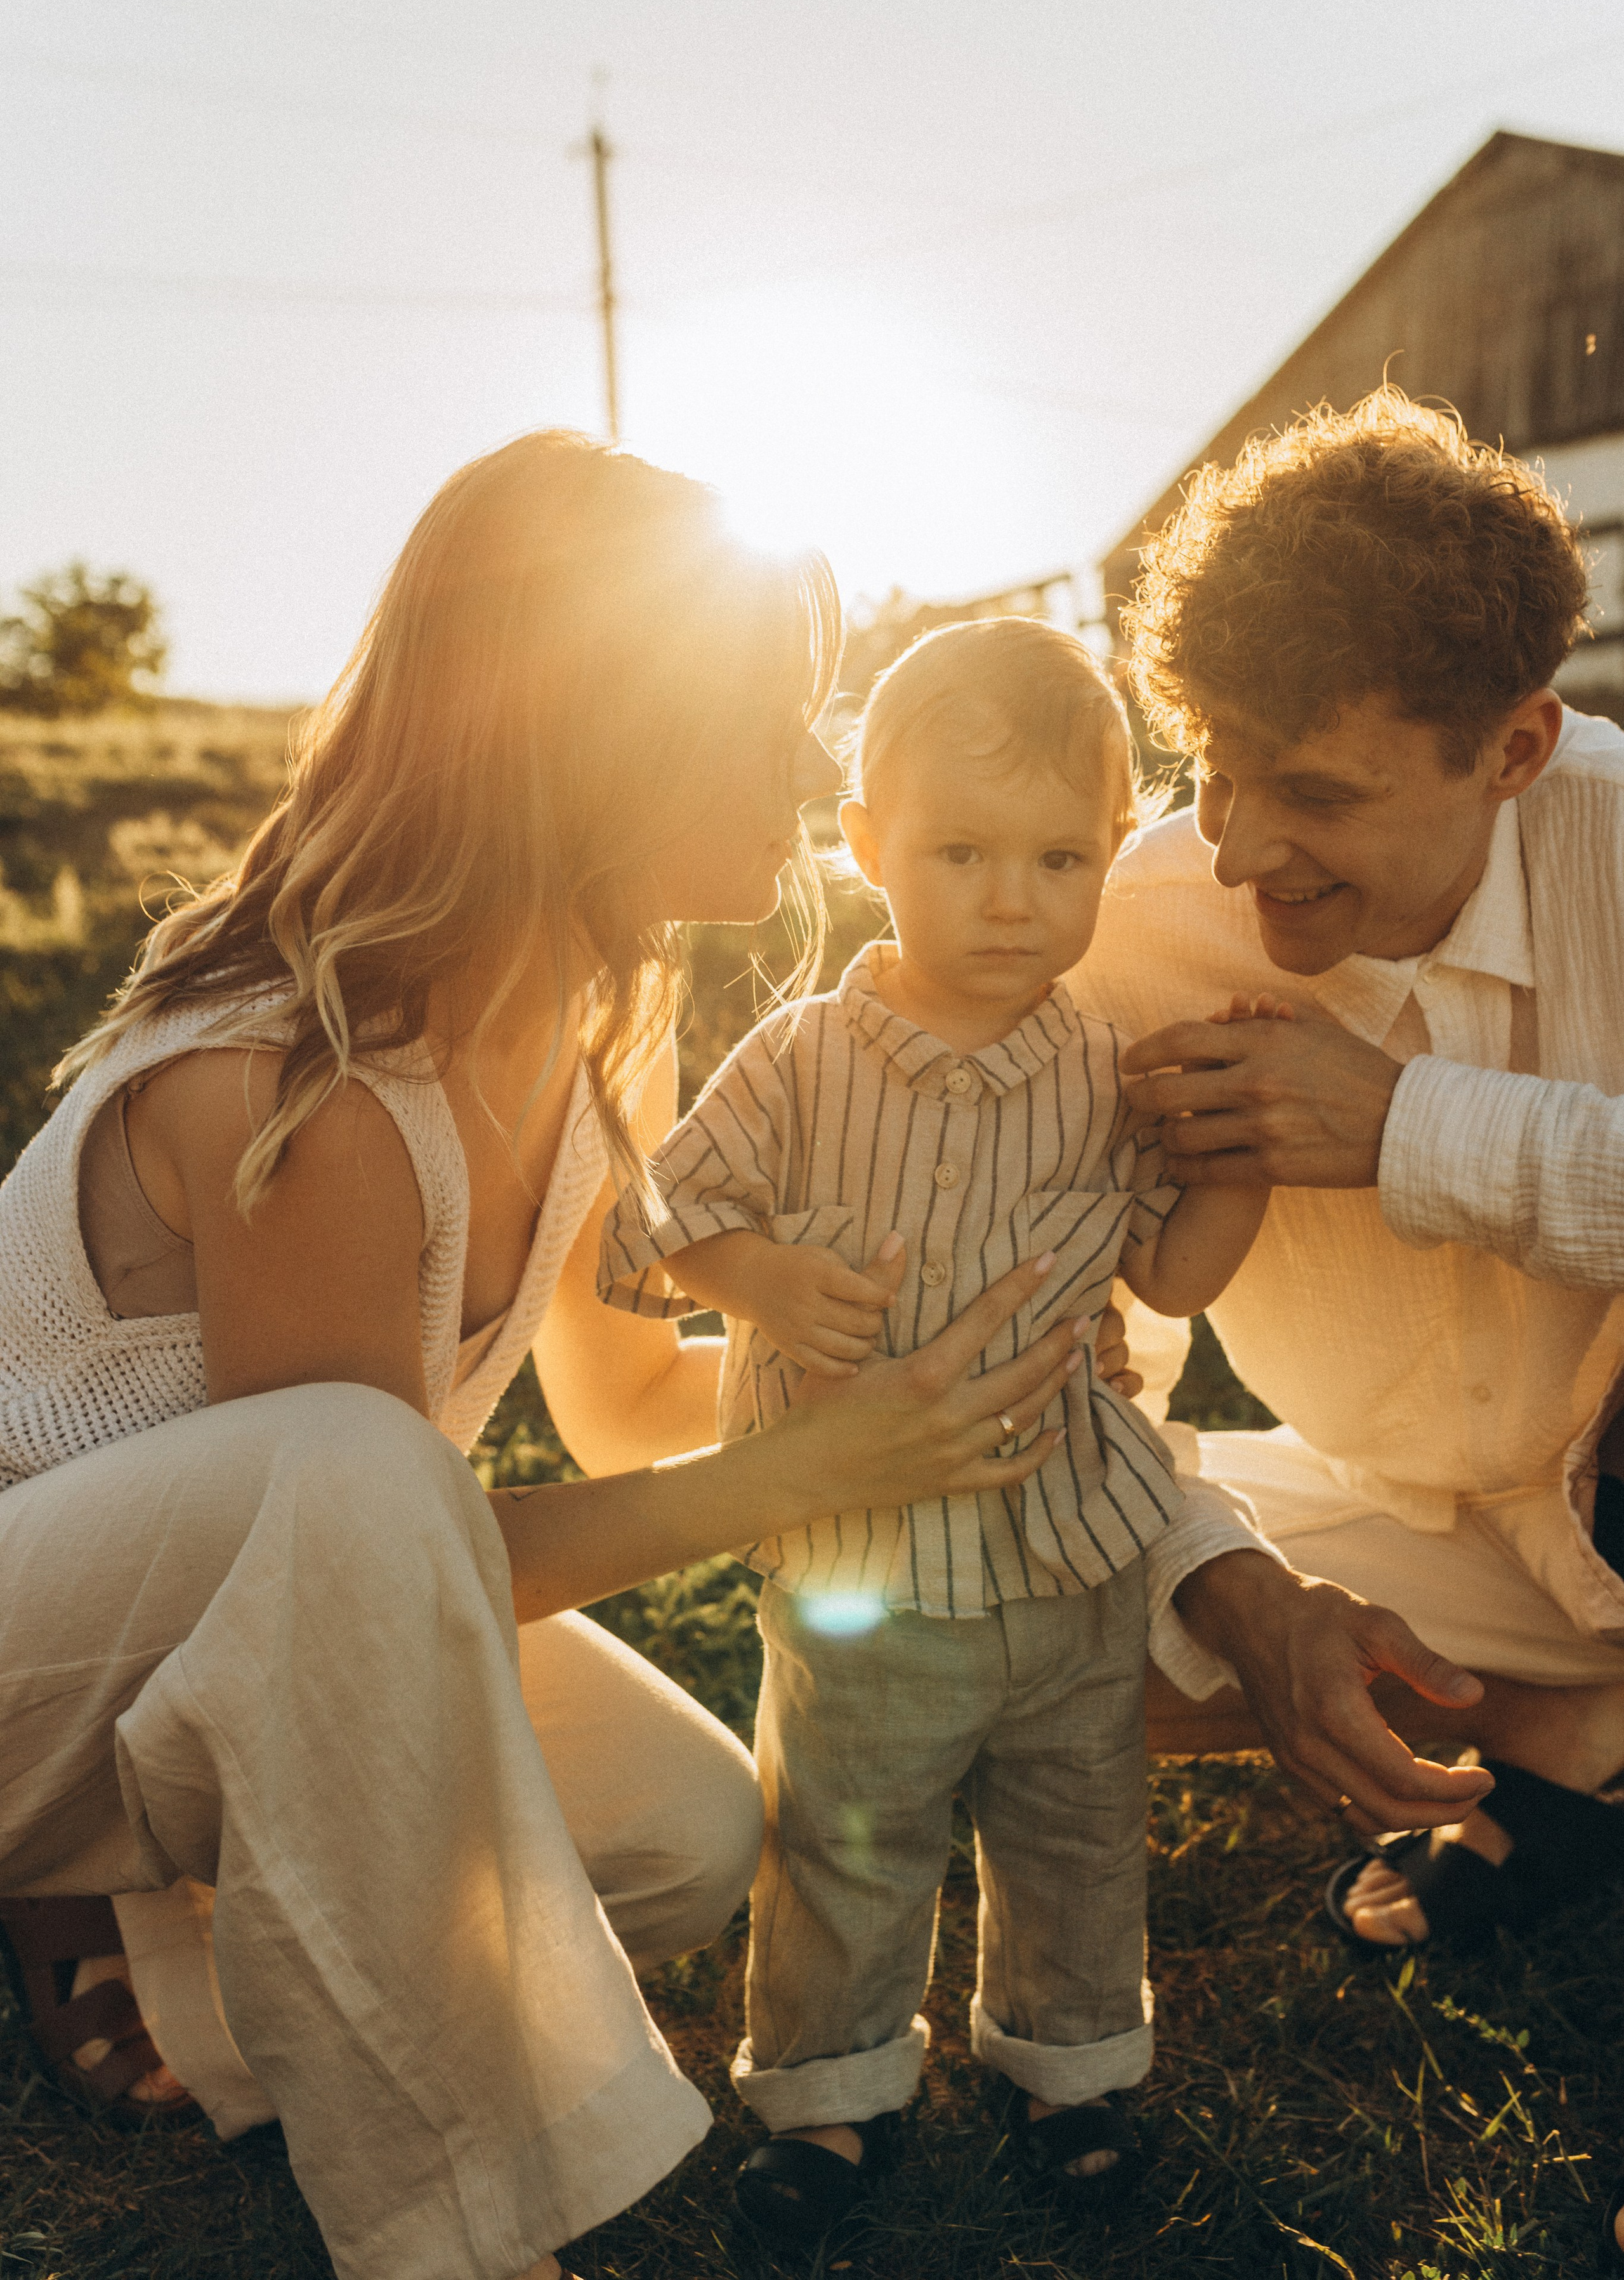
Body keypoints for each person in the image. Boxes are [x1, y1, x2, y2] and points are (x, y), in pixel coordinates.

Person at [0, 434, 1087, 2280]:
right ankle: (460, 2232)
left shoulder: (599, 1016)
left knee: (677, 1835)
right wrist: (797, 1483)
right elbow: (337, 1562)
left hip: (228, 1637)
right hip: (57, 1634)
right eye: (765, 713)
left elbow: (618, 1405)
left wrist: (862, 1377)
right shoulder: (311, 1073)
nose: (819, 769)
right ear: (581, 732)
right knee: (358, 1464)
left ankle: (132, 1916)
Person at [598, 619, 1270, 2249]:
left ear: (1112, 855)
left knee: (1073, 1826)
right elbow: (654, 1223)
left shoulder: (1108, 1078)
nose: (1009, 898)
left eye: (1057, 857)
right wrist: (754, 1273)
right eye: (959, 852)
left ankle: (1066, 2065)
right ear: (866, 846)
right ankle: (828, 2100)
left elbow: (1171, 1267)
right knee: (845, 1833)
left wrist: (1244, 1159)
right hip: (862, 1565)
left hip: (1069, 1555)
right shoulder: (803, 1060)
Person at [1067, 387, 1624, 1954]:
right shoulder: (1129, 934)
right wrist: (1235, 1587)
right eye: (1213, 774)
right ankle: (1561, 1733)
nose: (1238, 852)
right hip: (1382, 1535)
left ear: (1513, 747)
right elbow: (1087, 1366)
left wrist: (1403, 1130)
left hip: (1608, 1498)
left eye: (1314, 794)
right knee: (950, 1592)